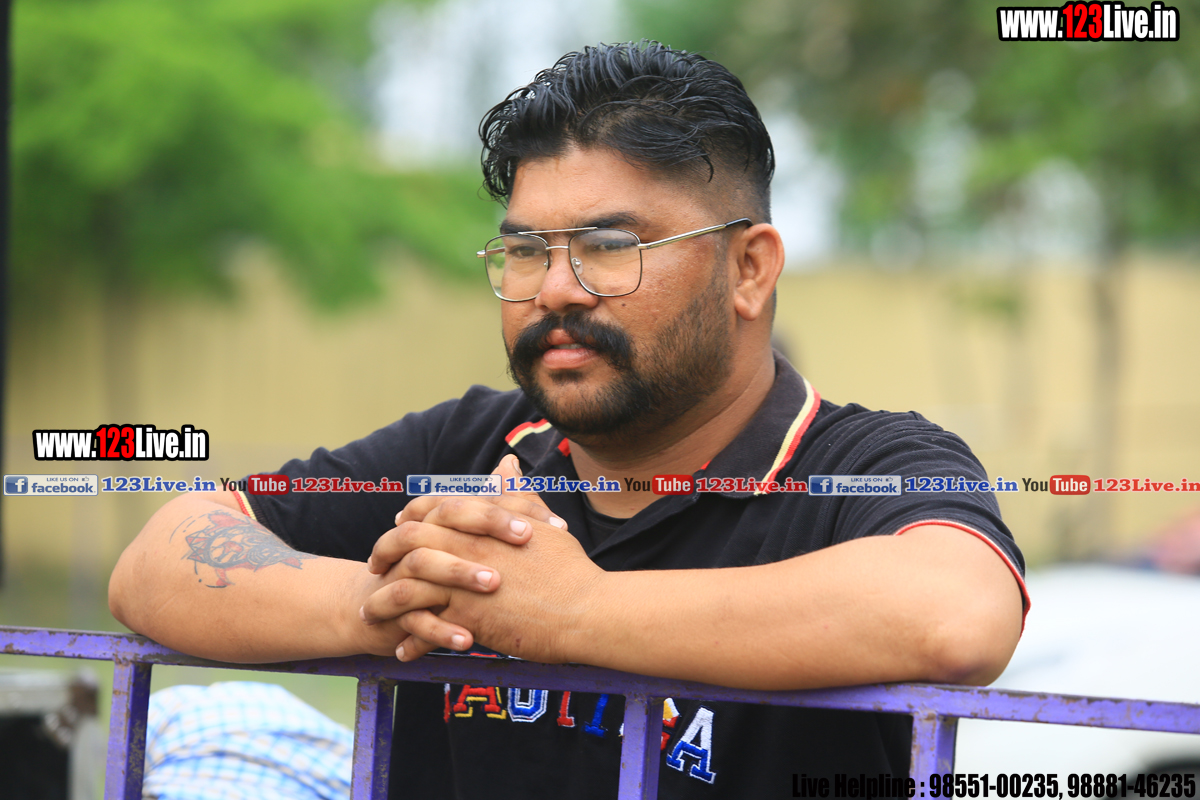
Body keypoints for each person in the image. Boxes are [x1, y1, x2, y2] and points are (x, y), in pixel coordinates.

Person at [109, 41, 1028, 799]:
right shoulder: (470, 449)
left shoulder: (863, 463)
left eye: (609, 246)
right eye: (523, 250)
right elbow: (160, 559)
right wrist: (381, 603)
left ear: (749, 269)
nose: (554, 289)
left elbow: (956, 614)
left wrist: (572, 612)